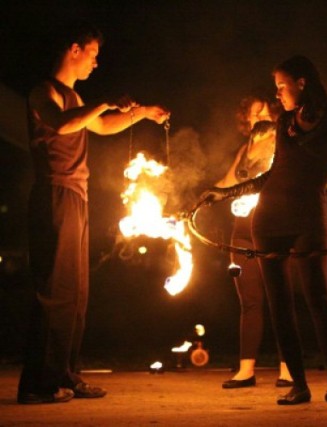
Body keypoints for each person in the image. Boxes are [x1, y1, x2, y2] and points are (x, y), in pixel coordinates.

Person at [200, 55, 327, 406]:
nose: (278, 95)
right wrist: (226, 192)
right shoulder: (284, 121)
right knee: (280, 304)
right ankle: (298, 385)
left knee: (319, 299)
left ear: (302, 83)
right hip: (269, 219)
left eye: (282, 87)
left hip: (309, 218)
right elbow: (272, 175)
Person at [18, 20, 170, 404]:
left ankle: (66, 374)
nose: (96, 64)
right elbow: (63, 125)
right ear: (74, 50)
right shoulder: (43, 92)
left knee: (77, 293)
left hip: (77, 197)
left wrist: (142, 113)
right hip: (55, 193)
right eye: (93, 55)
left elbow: (101, 125)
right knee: (55, 292)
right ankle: (38, 383)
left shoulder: (74, 98)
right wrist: (103, 101)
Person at [216, 93, 294, 389]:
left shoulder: (283, 142)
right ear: (245, 120)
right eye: (254, 113)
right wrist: (195, 201)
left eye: (265, 112)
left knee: (280, 300)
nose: (260, 117)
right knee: (250, 302)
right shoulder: (244, 149)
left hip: (273, 227)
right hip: (242, 231)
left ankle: (288, 368)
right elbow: (225, 183)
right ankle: (245, 370)